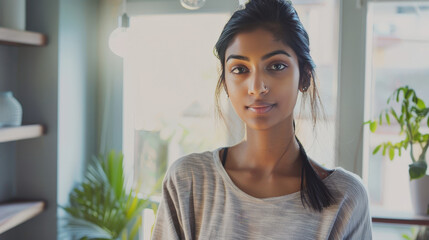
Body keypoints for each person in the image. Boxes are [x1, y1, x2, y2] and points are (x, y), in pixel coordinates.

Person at [151, 0, 372, 239]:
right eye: (240, 69)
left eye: (276, 66)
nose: (257, 88)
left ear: (304, 77)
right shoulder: (189, 181)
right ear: (225, 82)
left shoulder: (345, 197)